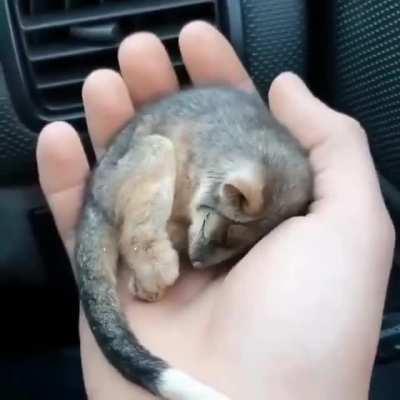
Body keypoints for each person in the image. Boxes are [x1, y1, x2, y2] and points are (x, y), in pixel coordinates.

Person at [36, 21, 395, 399]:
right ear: (233, 191)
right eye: (217, 236)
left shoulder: (267, 197)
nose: (202, 258)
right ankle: (142, 247)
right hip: (129, 179)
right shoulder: (226, 171)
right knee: (156, 152)